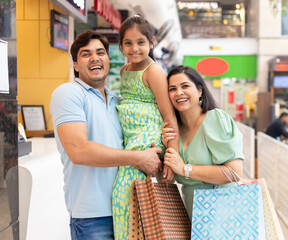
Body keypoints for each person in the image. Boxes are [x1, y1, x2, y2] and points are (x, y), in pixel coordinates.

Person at [50, 30, 163, 240]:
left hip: (128, 206)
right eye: (86, 54)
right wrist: (138, 158)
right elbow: (79, 151)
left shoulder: (117, 102)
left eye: (100, 52)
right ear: (75, 65)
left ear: (108, 60)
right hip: (92, 216)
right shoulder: (68, 93)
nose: (95, 58)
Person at [112, 15, 179, 239]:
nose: (134, 48)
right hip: (131, 145)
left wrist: (172, 158)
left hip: (148, 144)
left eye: (141, 42)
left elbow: (169, 117)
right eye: (128, 43)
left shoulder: (153, 71)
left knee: (125, 195)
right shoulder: (124, 71)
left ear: (151, 43)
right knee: (131, 205)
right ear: (120, 45)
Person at [160, 65, 244, 218]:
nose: (179, 93)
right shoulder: (172, 131)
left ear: (199, 90)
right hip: (191, 216)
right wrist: (166, 153)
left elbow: (234, 172)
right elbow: (167, 182)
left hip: (223, 215)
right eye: (172, 89)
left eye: (185, 86)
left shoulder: (215, 119)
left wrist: (185, 169)